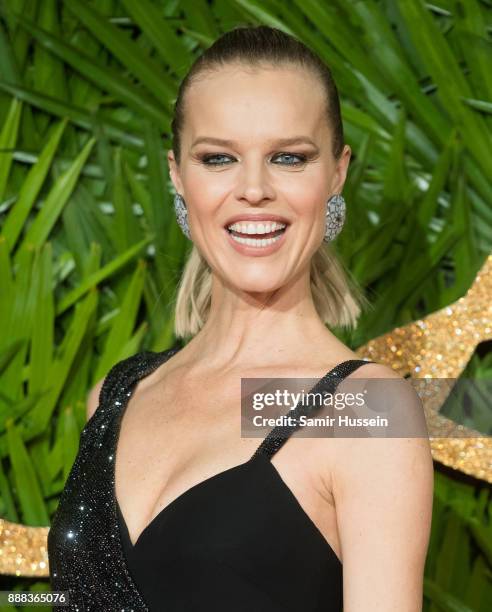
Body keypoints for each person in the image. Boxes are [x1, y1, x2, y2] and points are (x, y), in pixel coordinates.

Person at [48, 25, 434, 611]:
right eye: (219, 158)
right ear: (178, 174)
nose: (253, 189)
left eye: (289, 158)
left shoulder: (368, 411)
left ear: (336, 172)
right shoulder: (116, 395)